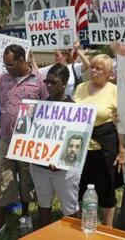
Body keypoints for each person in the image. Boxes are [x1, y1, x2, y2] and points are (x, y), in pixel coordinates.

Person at [0, 44, 48, 234]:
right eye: (5, 65)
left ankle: (25, 215)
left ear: (22, 61)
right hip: (6, 138)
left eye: (10, 64)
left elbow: (49, 106)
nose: (7, 68)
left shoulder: (39, 81)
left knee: (26, 178)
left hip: (28, 141)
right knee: (2, 177)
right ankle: (0, 222)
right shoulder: (2, 80)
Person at [28, 63, 81, 227]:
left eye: (53, 82)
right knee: (43, 203)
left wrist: (60, 161)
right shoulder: (39, 106)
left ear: (64, 84)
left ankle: (74, 236)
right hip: (39, 166)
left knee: (70, 207)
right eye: (47, 82)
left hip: (63, 170)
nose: (49, 86)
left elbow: (76, 140)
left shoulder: (74, 109)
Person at [74, 54, 122, 226]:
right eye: (92, 67)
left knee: (106, 187)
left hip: (105, 147)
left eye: (98, 68)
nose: (93, 71)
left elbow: (122, 124)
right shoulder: (80, 87)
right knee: (80, 187)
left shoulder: (115, 91)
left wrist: (123, 150)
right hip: (80, 146)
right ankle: (83, 223)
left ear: (109, 73)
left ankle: (108, 227)